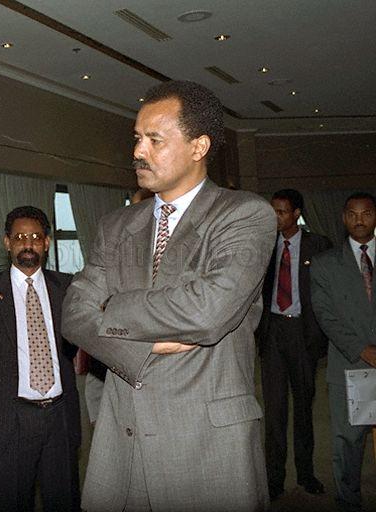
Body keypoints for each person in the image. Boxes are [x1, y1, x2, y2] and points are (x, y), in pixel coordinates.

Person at [62, 80, 276, 511]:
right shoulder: (115, 226)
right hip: (122, 443)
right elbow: (72, 316)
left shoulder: (244, 215)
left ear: (199, 146)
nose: (138, 151)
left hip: (206, 445)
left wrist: (114, 309)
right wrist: (143, 346)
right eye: (137, 138)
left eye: (154, 139)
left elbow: (208, 311)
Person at [0, 206, 81, 512]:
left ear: (46, 242)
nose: (27, 243)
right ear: (7, 243)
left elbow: (76, 341)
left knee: (64, 500)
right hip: (14, 418)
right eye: (19, 237)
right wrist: (9, 397)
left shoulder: (67, 287)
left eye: (35, 237)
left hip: (60, 416)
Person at [257, 189, 330, 500]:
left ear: (297, 213)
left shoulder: (318, 245)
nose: (277, 217)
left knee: (303, 409)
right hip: (272, 333)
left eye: (283, 211)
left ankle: (306, 473)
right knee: (274, 412)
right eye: (273, 210)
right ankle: (274, 479)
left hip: (303, 334)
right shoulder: (263, 245)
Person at [311, 192, 376, 512]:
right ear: (343, 217)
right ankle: (349, 500)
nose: (359, 219)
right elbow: (326, 316)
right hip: (351, 365)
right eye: (352, 214)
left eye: (366, 213)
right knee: (349, 441)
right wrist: (363, 349)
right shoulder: (325, 265)